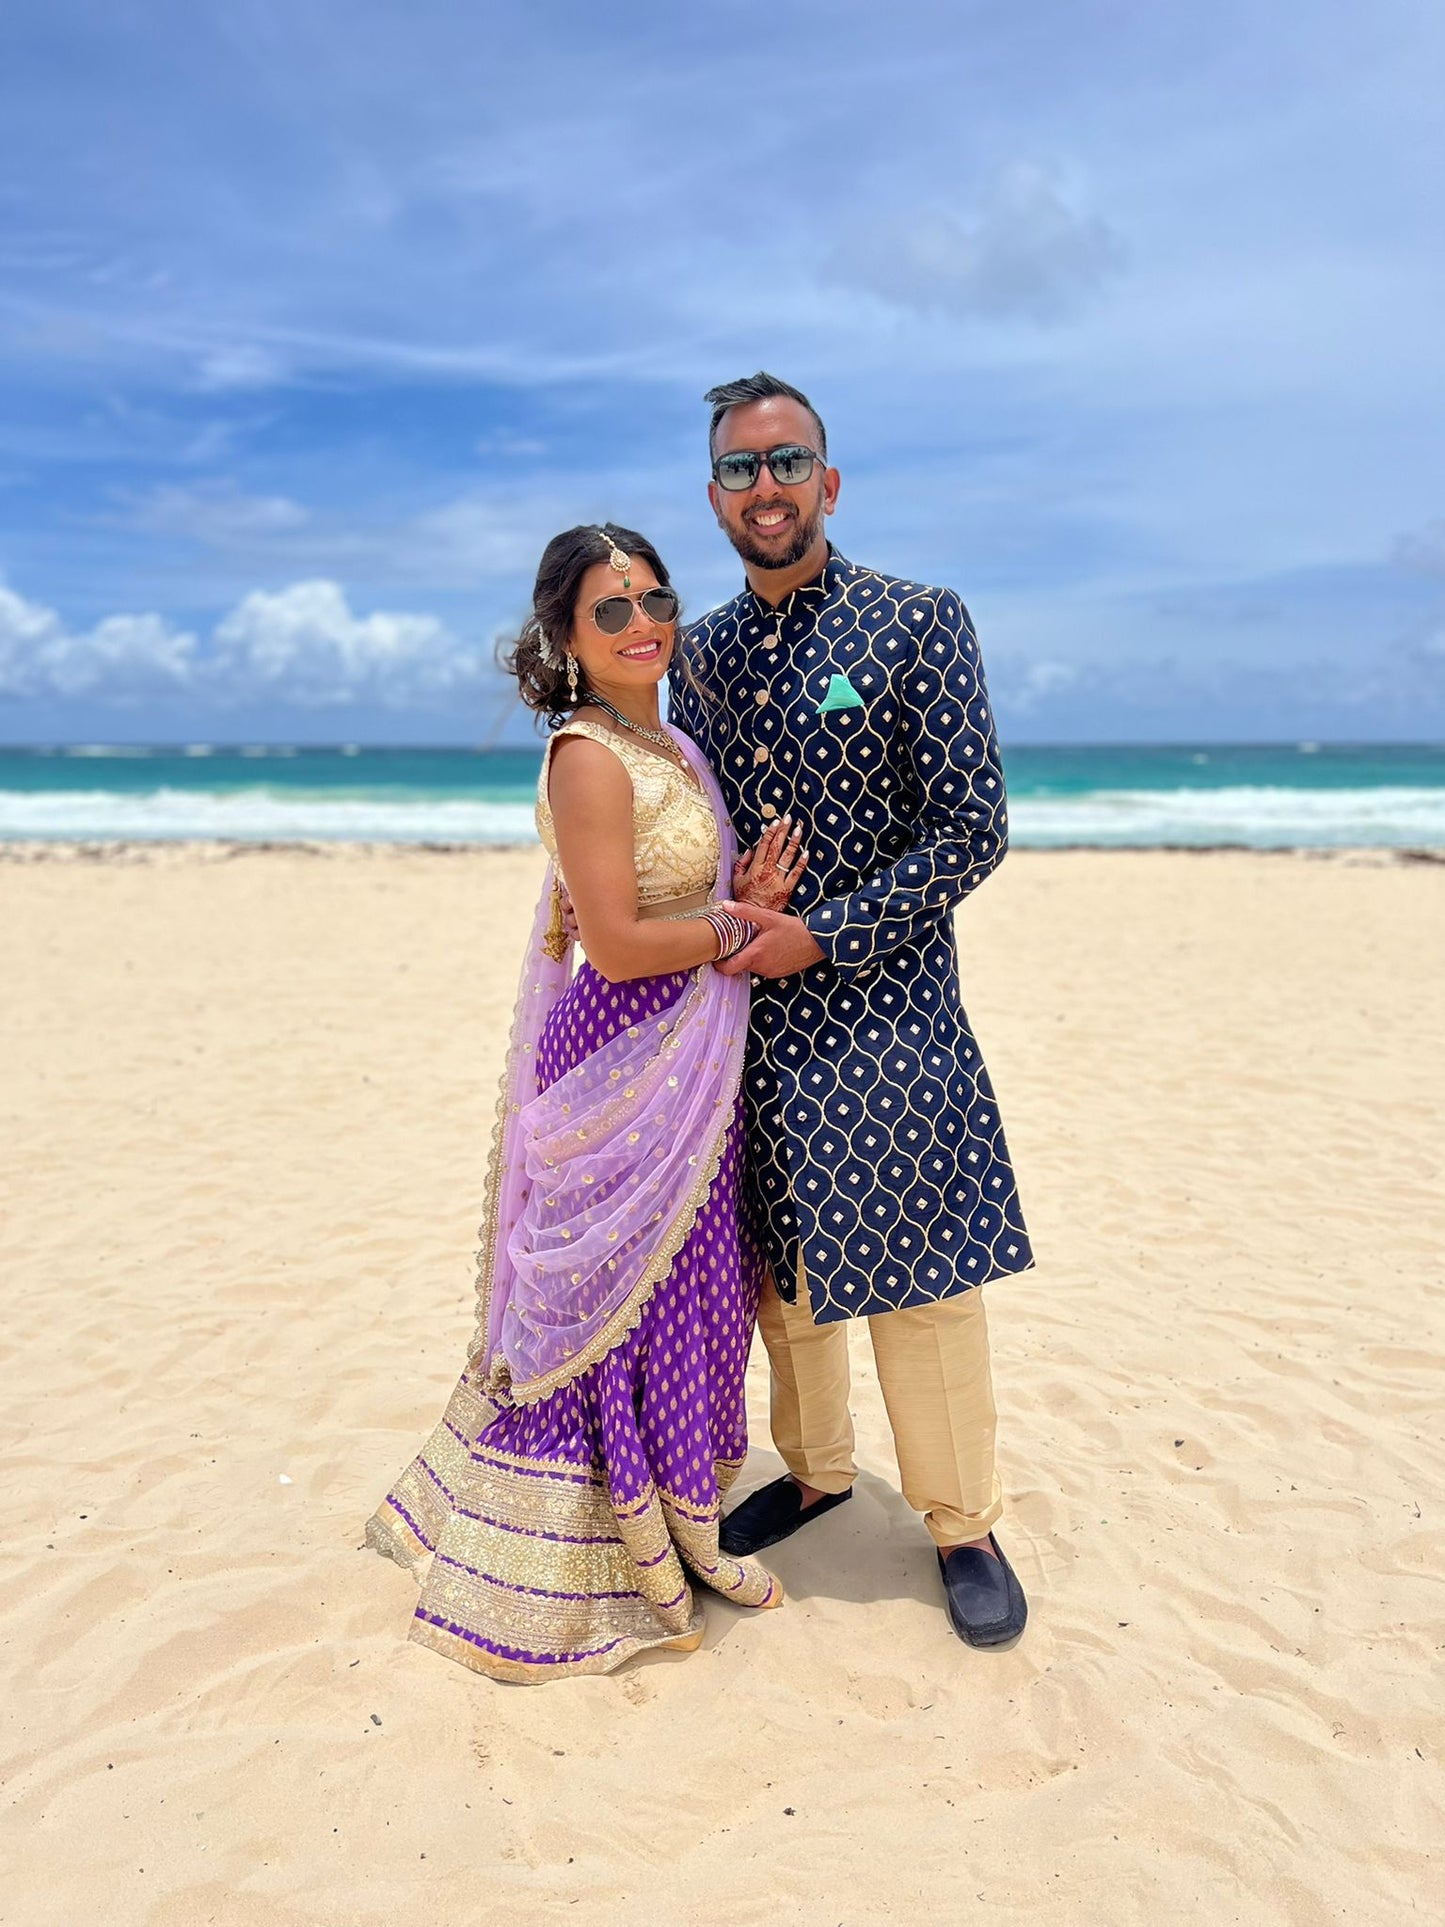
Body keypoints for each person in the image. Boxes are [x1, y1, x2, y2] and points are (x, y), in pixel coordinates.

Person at [366, 522, 805, 1681]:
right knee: (612, 1285)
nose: (642, 622)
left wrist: (735, 892)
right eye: (610, 609)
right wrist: (735, 931)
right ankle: (607, 1543)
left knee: (690, 1276)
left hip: (687, 1052)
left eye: (654, 597)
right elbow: (612, 945)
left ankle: (684, 1520)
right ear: (563, 634)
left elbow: (661, 896)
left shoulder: (662, 741)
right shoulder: (588, 756)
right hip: (623, 1048)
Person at [667, 372, 1035, 1648]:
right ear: (712, 495)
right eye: (737, 469)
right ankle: (818, 1468)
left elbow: (969, 828)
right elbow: (690, 824)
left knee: (923, 1279)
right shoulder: (699, 654)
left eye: (785, 464)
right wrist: (715, 910)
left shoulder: (915, 622)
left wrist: (818, 931)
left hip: (888, 1005)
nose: (762, 489)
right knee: (781, 1267)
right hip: (745, 1019)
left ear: (827, 481)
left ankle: (960, 1523)